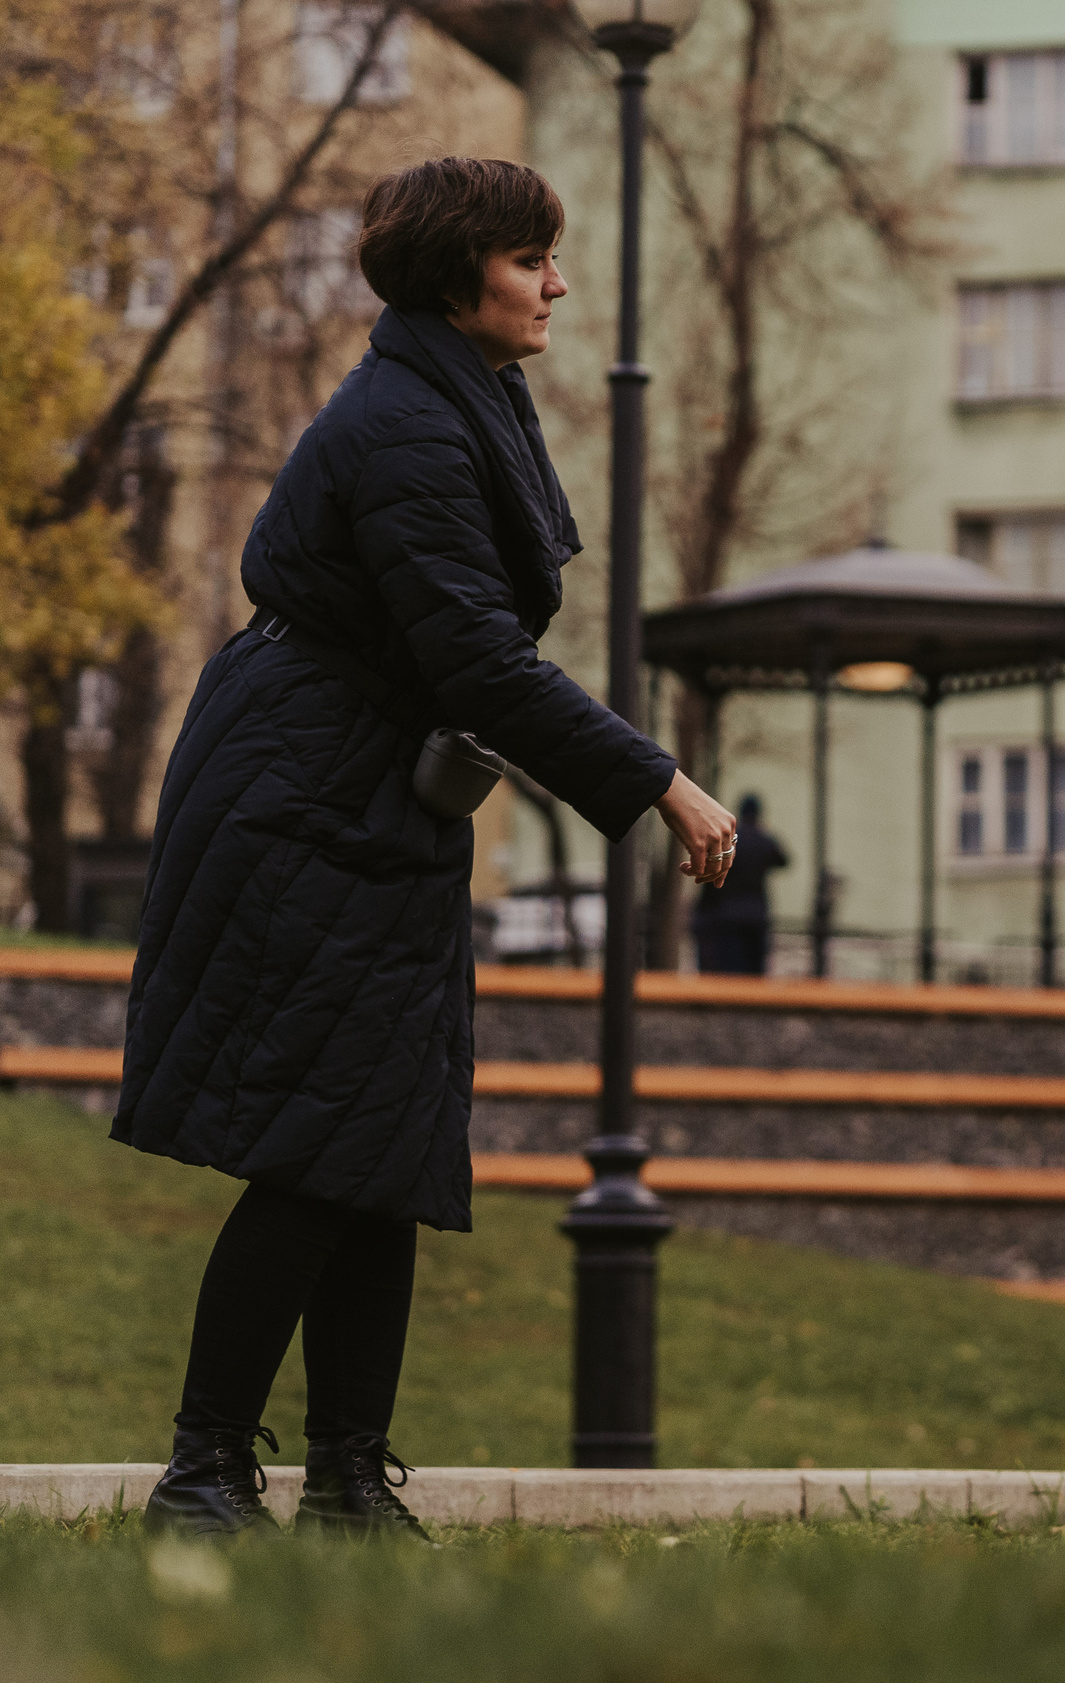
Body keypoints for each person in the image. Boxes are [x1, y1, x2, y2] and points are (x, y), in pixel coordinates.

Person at [114, 157, 738, 1539]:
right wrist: (661, 784)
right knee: (315, 1137)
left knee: (380, 1140)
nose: (556, 283)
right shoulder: (406, 422)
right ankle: (200, 1469)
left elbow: (466, 650)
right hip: (304, 794)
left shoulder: (455, 396)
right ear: (461, 275)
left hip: (363, 792)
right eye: (531, 261)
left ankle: (347, 1471)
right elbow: (472, 653)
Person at [687, 794, 789, 975]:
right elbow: (783, 861)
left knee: (729, 968)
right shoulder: (764, 840)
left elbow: (711, 879)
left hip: (727, 913)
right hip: (756, 914)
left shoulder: (731, 840)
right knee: (754, 971)